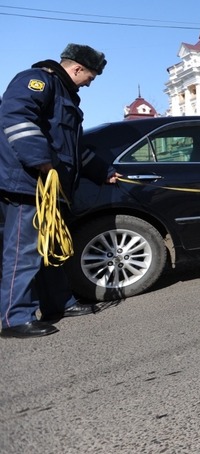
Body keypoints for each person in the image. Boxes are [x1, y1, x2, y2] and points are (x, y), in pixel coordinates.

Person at [1, 44, 116, 338]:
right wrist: (39, 159)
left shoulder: (66, 95)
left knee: (51, 251)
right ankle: (13, 318)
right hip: (31, 184)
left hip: (54, 189)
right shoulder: (37, 80)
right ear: (77, 68)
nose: (91, 82)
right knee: (23, 253)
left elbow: (73, 150)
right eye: (91, 76)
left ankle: (60, 304)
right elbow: (15, 116)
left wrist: (105, 172)